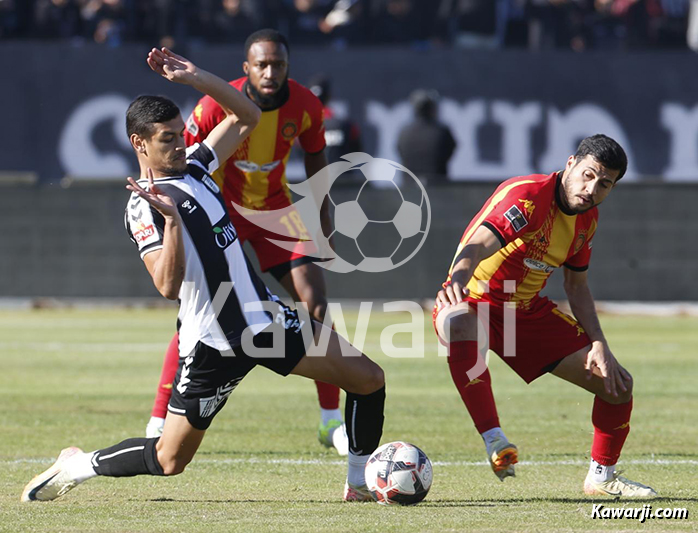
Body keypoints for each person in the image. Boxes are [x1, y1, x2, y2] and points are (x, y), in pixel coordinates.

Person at [21, 47, 385, 504]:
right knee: (169, 461)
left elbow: (249, 115)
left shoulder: (194, 164)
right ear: (140, 145)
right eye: (168, 139)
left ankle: (358, 484)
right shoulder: (143, 205)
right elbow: (166, 286)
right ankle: (77, 464)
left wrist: (197, 78)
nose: (180, 143)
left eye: (179, 134)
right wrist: (173, 222)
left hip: (266, 322)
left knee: (369, 378)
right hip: (215, 343)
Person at [145, 29, 349, 456]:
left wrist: (323, 212)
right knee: (196, 314)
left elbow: (316, 157)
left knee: (314, 300)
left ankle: (331, 420)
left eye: (279, 65)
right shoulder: (212, 105)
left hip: (275, 211)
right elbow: (189, 163)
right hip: (224, 211)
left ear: (288, 69)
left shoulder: (306, 106)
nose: (271, 72)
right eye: (262, 65)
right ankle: (159, 419)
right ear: (247, 69)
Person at [433, 134, 657, 498]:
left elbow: (577, 287)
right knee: (459, 322)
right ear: (570, 163)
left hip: (524, 313)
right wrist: (457, 279)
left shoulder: (587, 222)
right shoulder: (527, 196)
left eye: (605, 184)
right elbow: (477, 245)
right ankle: (495, 440)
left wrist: (600, 344)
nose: (592, 189)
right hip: (472, 299)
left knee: (617, 385)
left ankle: (602, 478)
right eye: (588, 175)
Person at [397, 89, 456, 186]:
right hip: (439, 190)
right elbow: (451, 150)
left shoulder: (404, 133)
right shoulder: (442, 131)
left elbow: (399, 150)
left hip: (408, 189)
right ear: (432, 108)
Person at [307, 74, 362, 164]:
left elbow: (301, 151)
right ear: (329, 96)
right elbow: (358, 152)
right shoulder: (346, 126)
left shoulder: (305, 127)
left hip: (317, 177)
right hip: (345, 177)